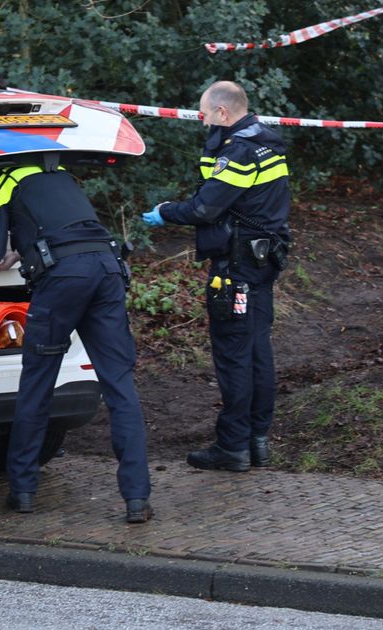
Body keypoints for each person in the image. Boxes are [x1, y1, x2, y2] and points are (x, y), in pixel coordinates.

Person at [0, 161, 153, 523]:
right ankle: (137, 499)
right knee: (120, 385)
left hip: (63, 280)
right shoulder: (57, 173)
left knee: (38, 382)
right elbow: (58, 227)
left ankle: (23, 490)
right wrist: (21, 249)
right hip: (107, 268)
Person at [143, 81, 291, 473]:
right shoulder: (266, 141)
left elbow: (205, 208)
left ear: (223, 112)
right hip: (262, 261)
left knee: (234, 354)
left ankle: (232, 446)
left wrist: (165, 212)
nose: (203, 121)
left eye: (205, 114)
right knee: (257, 351)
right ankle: (257, 441)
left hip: (237, 267)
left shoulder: (239, 150)